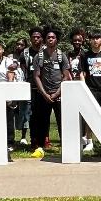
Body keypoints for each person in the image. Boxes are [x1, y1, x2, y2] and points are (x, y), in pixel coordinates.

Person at [31, 28, 70, 157]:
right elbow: (36, 76)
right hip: (44, 95)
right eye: (48, 37)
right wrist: (44, 94)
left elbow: (65, 76)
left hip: (58, 94)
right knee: (42, 122)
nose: (50, 39)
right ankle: (40, 147)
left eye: (53, 37)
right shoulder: (39, 56)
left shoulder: (61, 55)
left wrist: (57, 93)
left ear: (56, 40)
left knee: (62, 120)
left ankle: (66, 146)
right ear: (45, 40)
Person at [78, 31, 101, 153]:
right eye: (93, 38)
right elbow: (82, 72)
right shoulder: (85, 55)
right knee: (90, 117)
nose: (95, 40)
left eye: (98, 38)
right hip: (91, 89)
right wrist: (84, 87)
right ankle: (89, 141)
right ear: (90, 40)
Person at [15, 28, 44, 148]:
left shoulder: (45, 51)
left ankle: (43, 139)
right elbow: (22, 69)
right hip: (29, 86)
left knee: (42, 114)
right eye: (34, 37)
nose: (36, 39)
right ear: (30, 38)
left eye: (38, 37)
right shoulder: (25, 53)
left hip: (43, 87)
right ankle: (30, 139)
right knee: (28, 114)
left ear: (41, 38)